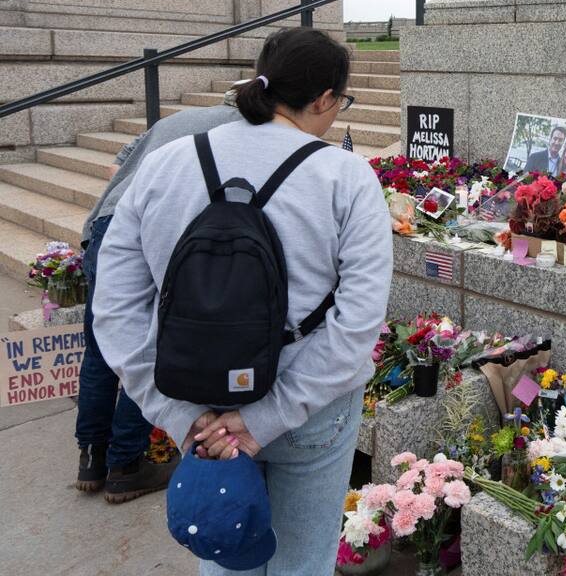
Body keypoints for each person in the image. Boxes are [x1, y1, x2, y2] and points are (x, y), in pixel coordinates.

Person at [92, 28, 393, 575]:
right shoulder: (345, 176)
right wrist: (265, 417)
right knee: (302, 562)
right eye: (340, 102)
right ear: (324, 99)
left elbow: (112, 309)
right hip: (310, 402)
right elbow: (356, 329)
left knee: (225, 551)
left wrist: (178, 416)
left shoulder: (165, 164)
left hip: (195, 391)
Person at [75, 91, 241, 502]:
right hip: (151, 228)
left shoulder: (176, 120)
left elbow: (119, 163)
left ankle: (92, 459)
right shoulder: (239, 131)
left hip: (106, 223)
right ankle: (126, 464)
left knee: (101, 350)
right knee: (150, 349)